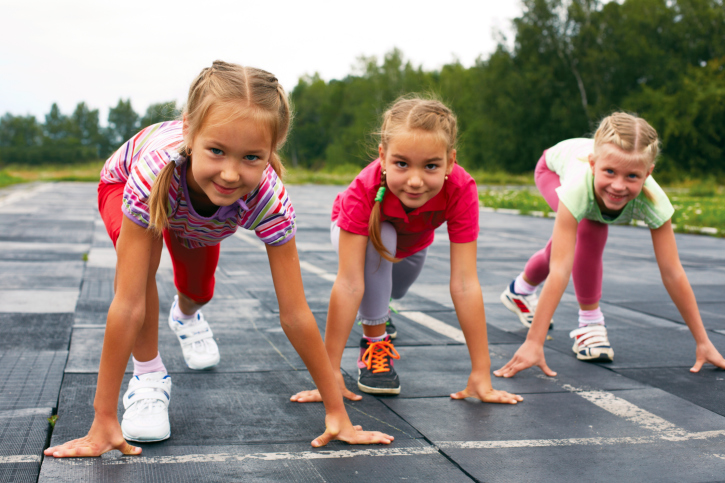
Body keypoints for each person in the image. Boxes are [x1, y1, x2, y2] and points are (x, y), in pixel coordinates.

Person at [45, 61, 393, 458]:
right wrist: (102, 419)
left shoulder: (269, 199)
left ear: (272, 150)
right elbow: (127, 305)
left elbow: (295, 313)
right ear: (190, 131)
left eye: (250, 157)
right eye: (216, 151)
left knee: (198, 292)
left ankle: (186, 314)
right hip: (133, 187)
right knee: (138, 274)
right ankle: (148, 379)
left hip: (199, 217)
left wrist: (338, 413)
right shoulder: (149, 175)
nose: (230, 174)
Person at [291, 96, 522, 404]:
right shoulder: (364, 190)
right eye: (402, 164)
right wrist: (329, 372)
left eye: (430, 166)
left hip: (413, 244)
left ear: (450, 162)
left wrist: (482, 372)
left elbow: (465, 283)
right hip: (357, 234)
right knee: (380, 247)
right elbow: (348, 283)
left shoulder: (461, 188)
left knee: (391, 292)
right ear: (383, 157)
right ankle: (374, 343)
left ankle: (380, 310)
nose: (415, 181)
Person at [495, 112, 725, 378]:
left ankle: (520, 289)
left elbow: (673, 272)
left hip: (581, 170)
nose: (618, 186)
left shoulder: (654, 201)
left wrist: (703, 341)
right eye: (610, 172)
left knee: (569, 239)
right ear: (593, 164)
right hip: (551, 170)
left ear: (648, 173)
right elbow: (560, 268)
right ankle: (589, 325)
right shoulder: (577, 188)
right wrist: (534, 343)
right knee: (589, 229)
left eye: (632, 176)